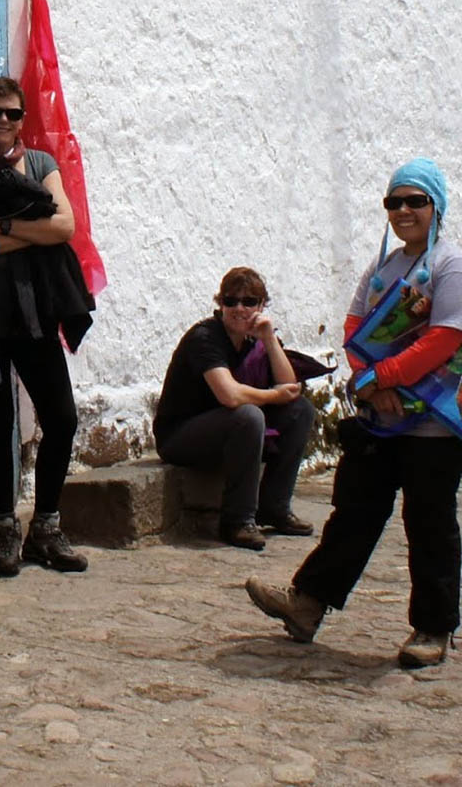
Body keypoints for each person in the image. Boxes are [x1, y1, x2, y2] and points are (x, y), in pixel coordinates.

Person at [247, 157, 462, 668]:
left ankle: (433, 628)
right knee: (354, 512)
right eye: (395, 201)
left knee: (429, 522)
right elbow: (354, 325)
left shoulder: (450, 265)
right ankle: (307, 604)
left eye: (416, 201)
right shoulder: (383, 266)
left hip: (433, 420)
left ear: (437, 206)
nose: (404, 210)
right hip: (380, 417)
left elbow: (447, 336)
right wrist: (368, 382)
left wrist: (384, 378)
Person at [0, 77, 92, 577]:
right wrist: (21, 235)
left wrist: (1, 230)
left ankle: (47, 526)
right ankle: (7, 526)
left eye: (13, 114)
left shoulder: (40, 164)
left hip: (35, 309)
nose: (3, 122)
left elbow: (63, 227)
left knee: (61, 417)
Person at [153, 267, 316, 550]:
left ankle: (274, 507)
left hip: (227, 430)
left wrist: (268, 338)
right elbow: (228, 395)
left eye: (249, 302)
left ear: (262, 306)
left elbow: (289, 388)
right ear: (221, 304)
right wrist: (271, 396)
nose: (239, 308)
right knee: (248, 415)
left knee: (301, 410)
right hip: (181, 435)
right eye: (231, 301)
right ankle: (237, 520)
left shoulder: (255, 337)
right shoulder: (205, 337)